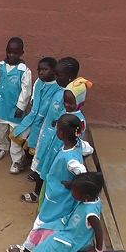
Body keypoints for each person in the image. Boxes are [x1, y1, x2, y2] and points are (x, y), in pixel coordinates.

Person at [6, 114, 91, 252]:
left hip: (58, 197)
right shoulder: (78, 145)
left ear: (61, 134)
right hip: (60, 196)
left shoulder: (70, 159)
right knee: (56, 223)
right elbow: (89, 150)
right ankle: (49, 247)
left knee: (42, 220)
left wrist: (71, 184)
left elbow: (83, 175)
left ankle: (27, 248)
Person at [0, 172, 105, 252]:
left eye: (74, 191)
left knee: (46, 248)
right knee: (44, 228)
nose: (72, 192)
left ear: (86, 195)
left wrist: (98, 250)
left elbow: (99, 231)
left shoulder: (91, 214)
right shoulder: (92, 199)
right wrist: (71, 185)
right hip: (69, 227)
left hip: (75, 239)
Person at [20, 58, 83, 203]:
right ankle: (37, 192)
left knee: (50, 168)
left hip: (57, 140)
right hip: (47, 135)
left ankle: (42, 195)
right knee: (43, 163)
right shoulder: (58, 89)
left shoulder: (69, 95)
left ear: (69, 77)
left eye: (58, 75)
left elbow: (68, 118)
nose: (55, 77)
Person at [0, 37, 33, 171]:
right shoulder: (0, 65)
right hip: (0, 105)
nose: (11, 55)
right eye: (9, 52)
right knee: (0, 130)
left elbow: (26, 90)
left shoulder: (24, 70)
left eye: (15, 53)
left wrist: (21, 107)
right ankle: (2, 147)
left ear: (21, 53)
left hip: (14, 108)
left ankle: (17, 159)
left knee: (15, 134)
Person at [9, 57, 58, 175]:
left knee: (37, 145)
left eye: (45, 69)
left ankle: (34, 167)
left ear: (54, 71)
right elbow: (33, 99)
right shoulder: (38, 82)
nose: (41, 72)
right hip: (31, 117)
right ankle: (17, 160)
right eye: (39, 69)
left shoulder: (58, 88)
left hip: (44, 122)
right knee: (17, 136)